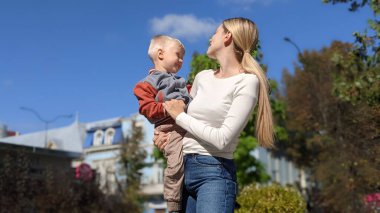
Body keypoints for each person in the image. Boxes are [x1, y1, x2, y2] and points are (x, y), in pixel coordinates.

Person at [153, 17, 274, 213]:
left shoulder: (247, 82)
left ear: (228, 36)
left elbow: (222, 139)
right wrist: (167, 137)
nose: (210, 38)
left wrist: (179, 117)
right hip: (183, 170)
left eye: (215, 32)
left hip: (215, 172)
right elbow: (185, 125)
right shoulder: (202, 77)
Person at [133, 35, 191, 213]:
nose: (181, 60)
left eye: (183, 57)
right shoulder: (147, 84)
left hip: (186, 125)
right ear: (160, 54)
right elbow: (147, 109)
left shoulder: (181, 82)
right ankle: (173, 204)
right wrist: (170, 108)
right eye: (178, 55)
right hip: (169, 129)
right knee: (176, 164)